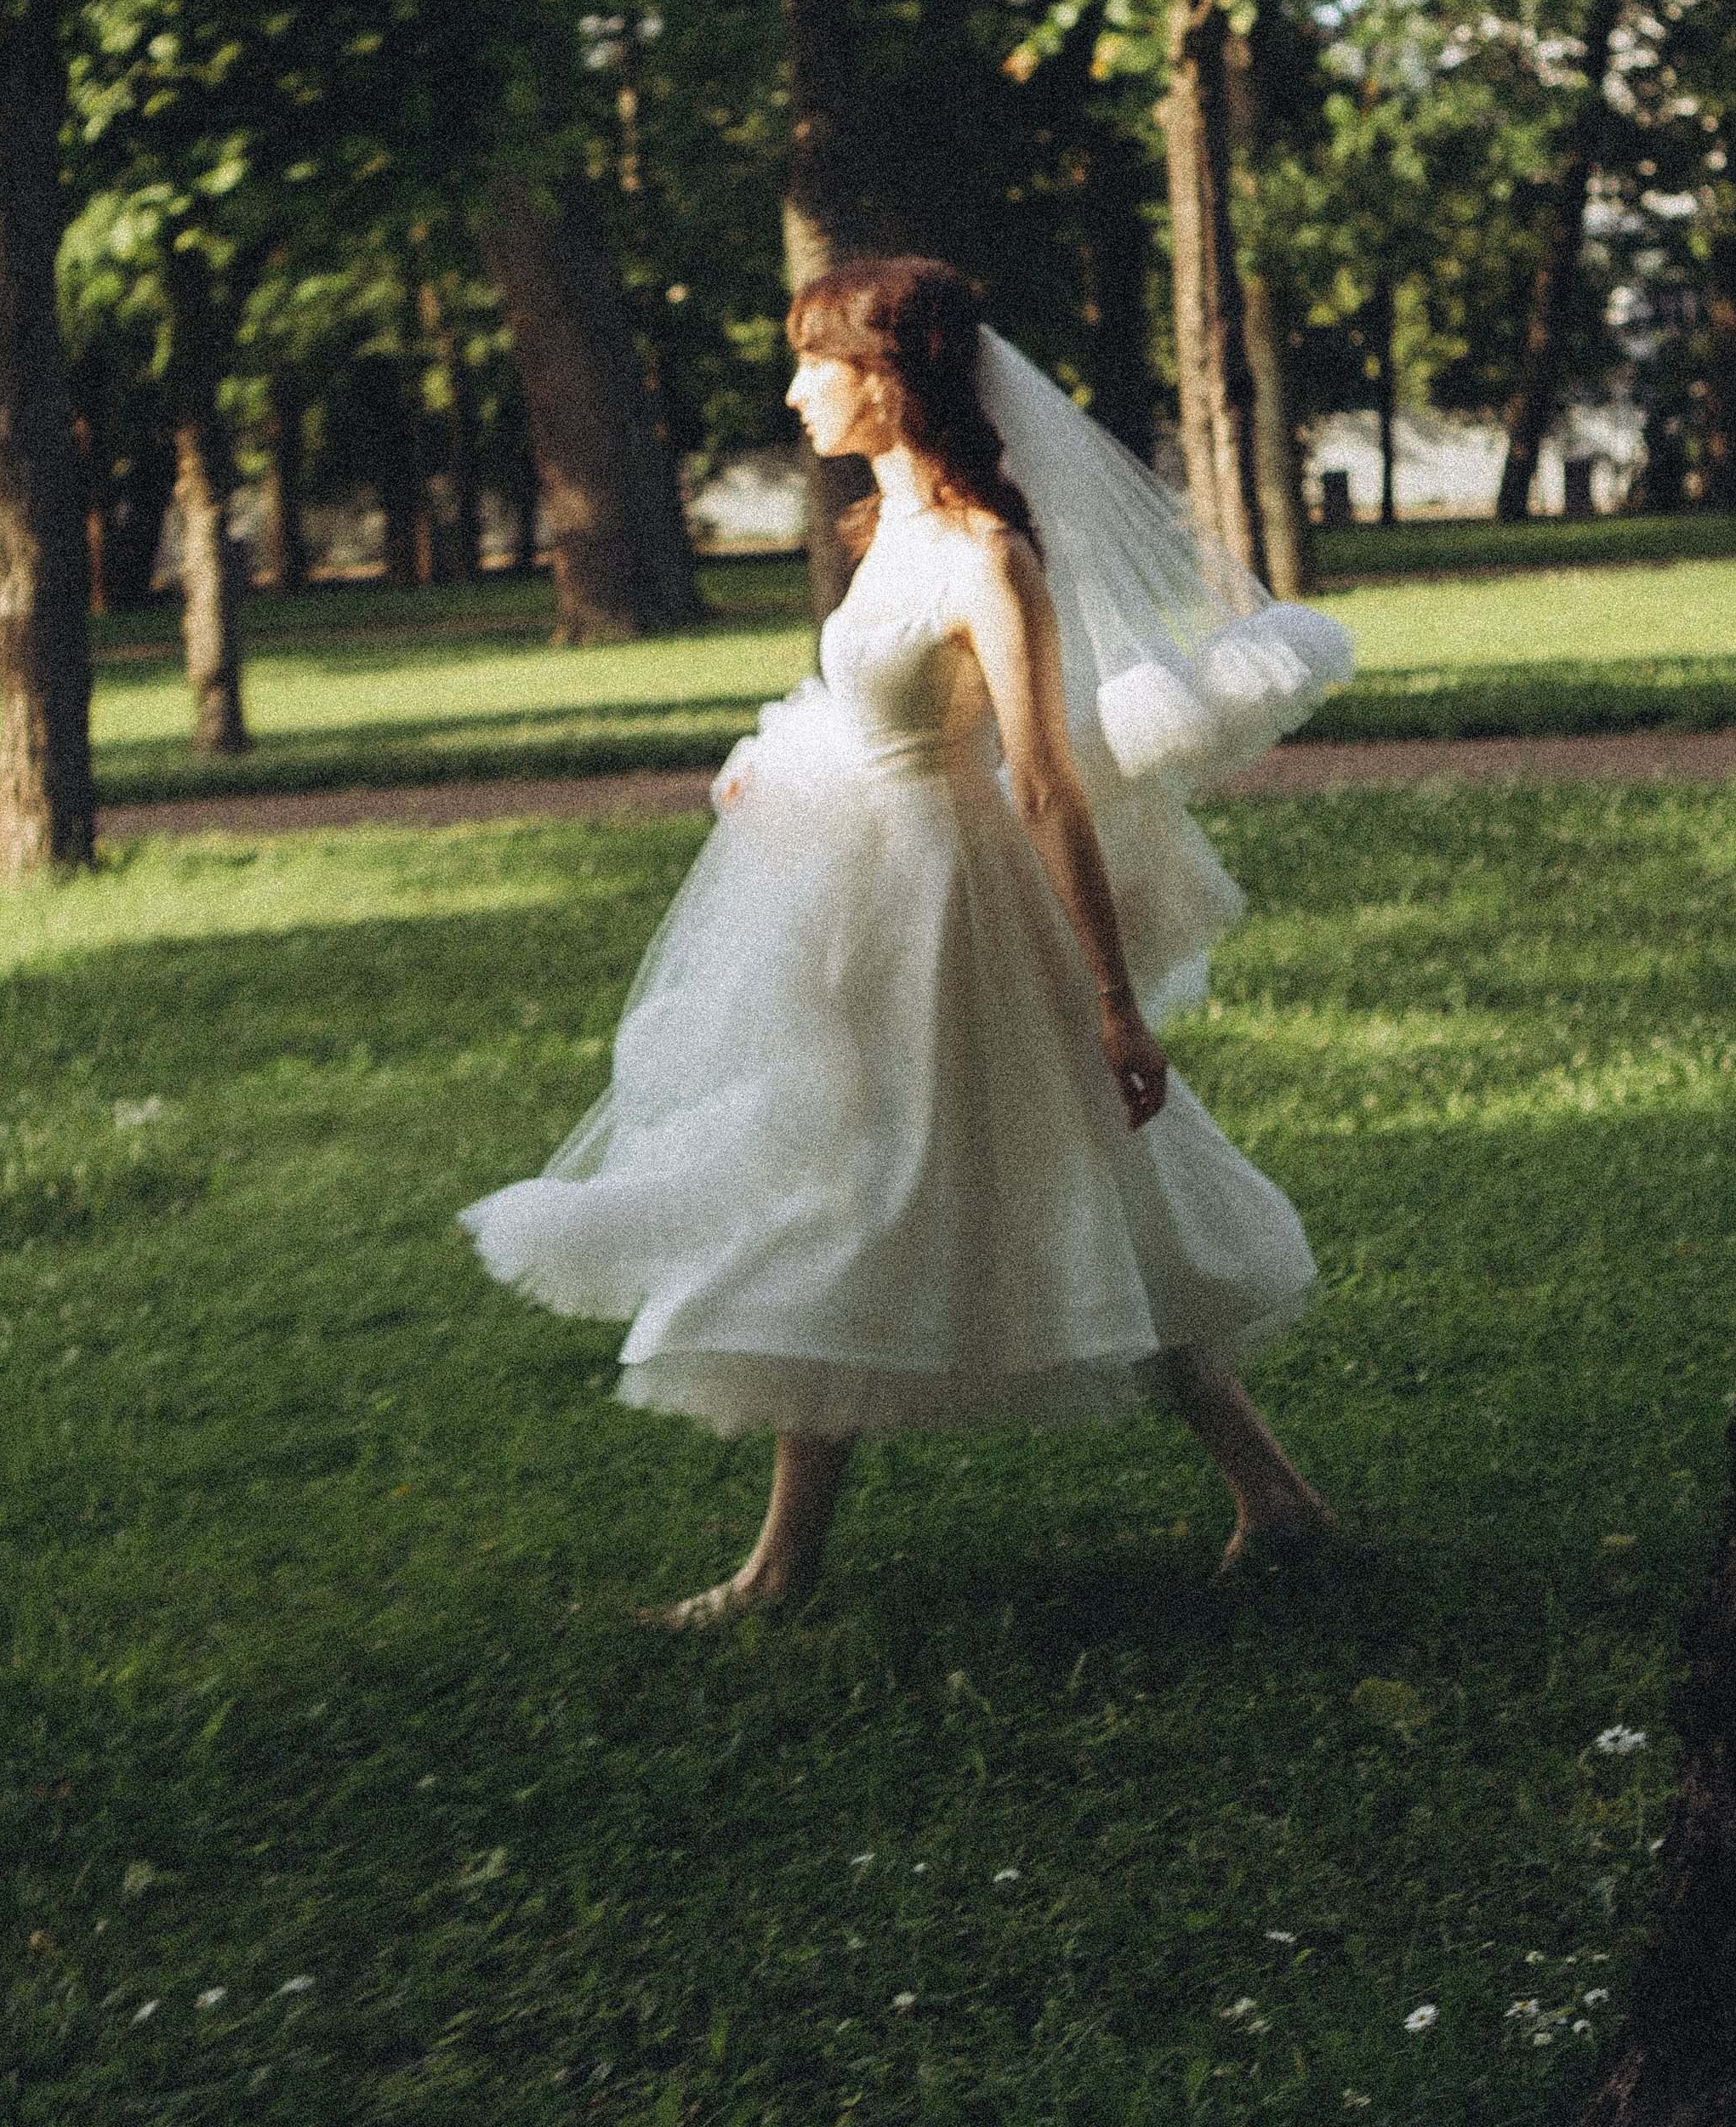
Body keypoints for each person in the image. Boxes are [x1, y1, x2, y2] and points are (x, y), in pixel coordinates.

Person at [462, 257, 1347, 1626]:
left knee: (1014, 1185)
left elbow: (1044, 783)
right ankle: (796, 1559)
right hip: (856, 894)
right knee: (859, 1176)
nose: (797, 389)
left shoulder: (992, 558)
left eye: (818, 360)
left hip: (954, 912)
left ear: (891, 377)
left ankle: (1255, 1499)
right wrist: (787, 768)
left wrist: (1116, 1000)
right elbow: (878, 714)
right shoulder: (886, 536)